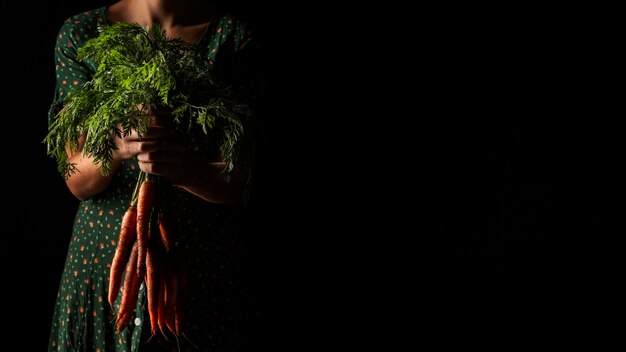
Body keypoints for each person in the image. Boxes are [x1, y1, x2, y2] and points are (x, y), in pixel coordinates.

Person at [46, 0, 264, 351]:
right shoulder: (81, 34)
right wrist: (115, 147)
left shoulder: (232, 38)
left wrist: (186, 170)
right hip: (99, 269)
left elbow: (242, 181)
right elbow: (76, 180)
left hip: (199, 275)